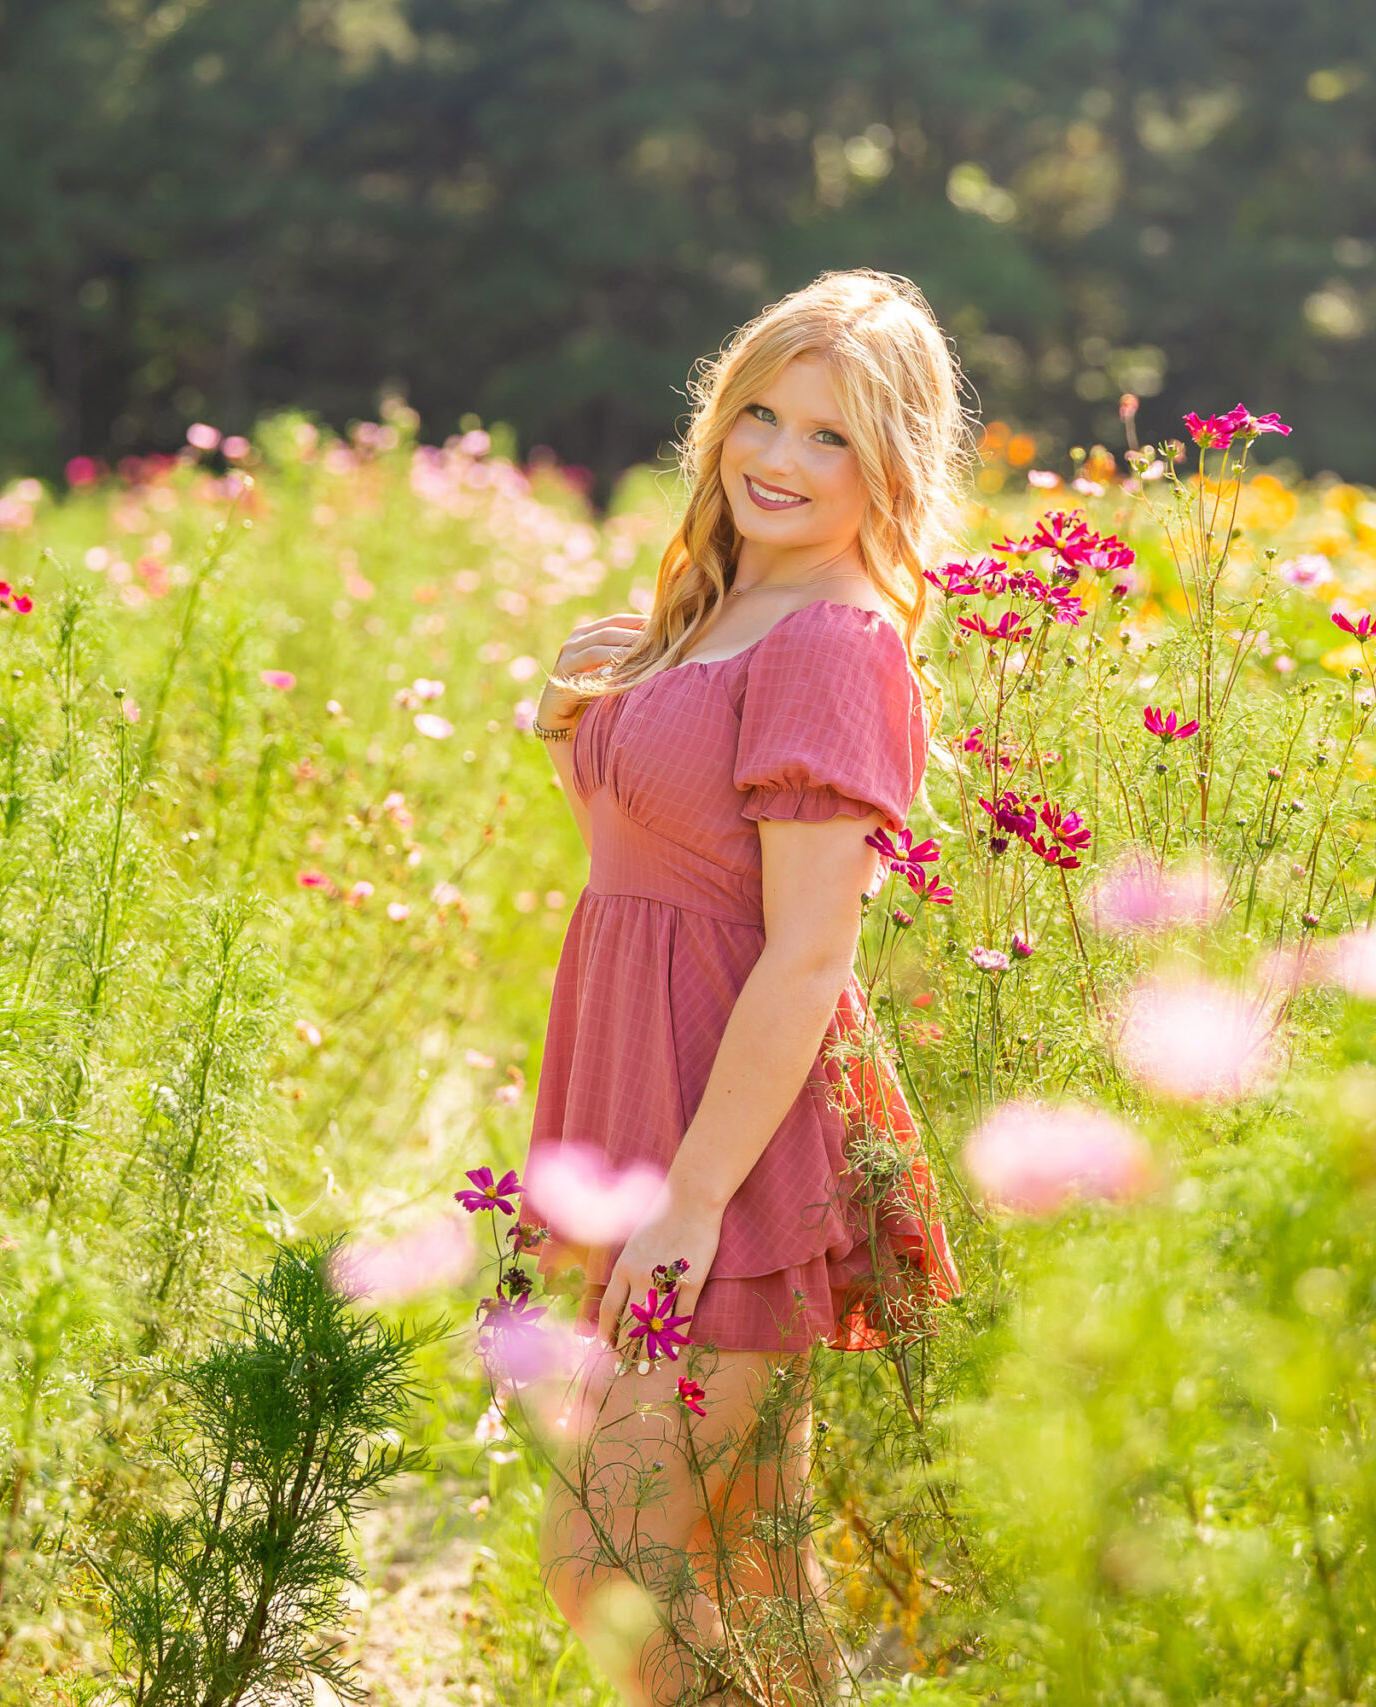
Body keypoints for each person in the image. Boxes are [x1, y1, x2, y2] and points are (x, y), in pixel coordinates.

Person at [517, 270, 965, 1705]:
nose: (776, 457)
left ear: (891, 461)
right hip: (650, 1094)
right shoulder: (725, 607)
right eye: (759, 415)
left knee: (609, 1563)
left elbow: (810, 951)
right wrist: (589, 722)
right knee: (757, 1574)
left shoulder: (830, 639)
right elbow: (678, 864)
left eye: (829, 437)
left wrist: (693, 1199)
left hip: (734, 1143)